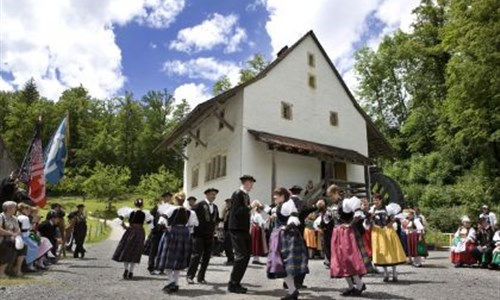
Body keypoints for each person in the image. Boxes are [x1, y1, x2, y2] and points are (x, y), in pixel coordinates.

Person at [267, 187, 308, 300]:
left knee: (283, 264)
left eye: (276, 195)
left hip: (287, 238)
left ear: (282, 196)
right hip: (280, 237)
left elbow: (294, 218)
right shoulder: (280, 206)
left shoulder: (289, 204)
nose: (274, 197)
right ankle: (292, 291)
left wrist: (286, 227)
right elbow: (274, 212)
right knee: (279, 265)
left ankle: (292, 291)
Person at [155, 192, 198, 293]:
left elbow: (161, 221)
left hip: (172, 233)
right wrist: (187, 234)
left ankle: (171, 282)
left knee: (169, 259)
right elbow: (192, 226)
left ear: (175, 200)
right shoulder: (190, 212)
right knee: (178, 259)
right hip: (184, 233)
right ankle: (175, 283)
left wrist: (166, 228)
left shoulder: (170, 209)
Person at [330, 196, 367, 297]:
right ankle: (351, 287)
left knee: (349, 260)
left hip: (345, 234)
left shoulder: (345, 202)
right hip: (337, 234)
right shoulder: (334, 206)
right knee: (340, 261)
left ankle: (359, 284)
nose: (331, 197)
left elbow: (358, 214)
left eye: (331, 194)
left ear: (336, 193)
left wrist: (350, 225)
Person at [227, 175, 258, 294]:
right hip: (236, 229)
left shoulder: (245, 195)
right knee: (241, 256)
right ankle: (233, 283)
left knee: (246, 256)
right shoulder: (237, 194)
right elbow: (238, 212)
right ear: (246, 183)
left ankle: (237, 281)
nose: (252, 186)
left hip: (244, 229)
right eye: (251, 183)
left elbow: (244, 212)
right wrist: (251, 206)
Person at [368, 194, 407, 282]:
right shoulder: (373, 209)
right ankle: (386, 274)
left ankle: (394, 273)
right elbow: (370, 220)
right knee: (382, 253)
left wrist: (388, 225)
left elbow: (393, 219)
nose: (375, 202)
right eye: (374, 200)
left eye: (377, 200)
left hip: (388, 231)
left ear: (381, 200)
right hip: (377, 233)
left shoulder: (388, 208)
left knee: (391, 252)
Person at [187, 188, 220, 284]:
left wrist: (216, 229)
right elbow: (190, 214)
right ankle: (190, 276)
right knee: (196, 256)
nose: (213, 196)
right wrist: (191, 227)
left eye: (215, 195)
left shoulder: (215, 207)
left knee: (207, 257)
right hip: (198, 235)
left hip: (209, 236)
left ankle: (201, 277)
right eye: (212, 194)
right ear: (206, 195)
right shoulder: (199, 205)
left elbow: (216, 220)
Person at [112, 198, 146, 279]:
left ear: (134, 204)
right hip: (140, 232)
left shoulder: (129, 211)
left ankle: (126, 270)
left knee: (127, 250)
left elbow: (119, 220)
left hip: (130, 231)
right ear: (142, 205)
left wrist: (124, 226)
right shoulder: (144, 213)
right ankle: (131, 271)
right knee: (135, 251)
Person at [147, 192, 173, 274]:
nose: (168, 199)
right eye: (166, 197)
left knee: (164, 250)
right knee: (153, 250)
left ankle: (161, 268)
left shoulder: (171, 207)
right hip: (156, 231)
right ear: (163, 198)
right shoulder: (157, 207)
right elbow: (150, 217)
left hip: (167, 231)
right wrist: (152, 227)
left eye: (169, 197)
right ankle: (151, 267)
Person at [0, 201, 20, 277]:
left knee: (23, 247)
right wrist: (11, 233)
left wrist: (16, 234)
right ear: (9, 208)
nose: (15, 209)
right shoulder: (1, 217)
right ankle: (1, 272)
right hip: (2, 239)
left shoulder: (14, 218)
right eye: (14, 207)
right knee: (9, 246)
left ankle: (16, 269)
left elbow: (18, 229)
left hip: (10, 239)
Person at [221, 198, 234, 265]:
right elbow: (223, 219)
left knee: (228, 245)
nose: (227, 204)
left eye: (228, 203)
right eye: (226, 203)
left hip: (230, 230)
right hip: (225, 229)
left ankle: (231, 260)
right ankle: (229, 259)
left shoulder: (232, 211)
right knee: (226, 245)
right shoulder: (226, 211)